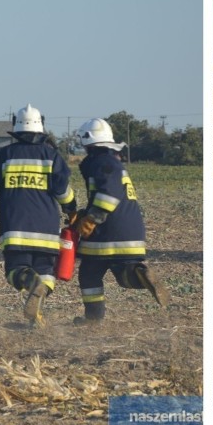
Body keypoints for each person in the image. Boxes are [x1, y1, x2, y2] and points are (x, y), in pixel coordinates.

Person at [0, 104, 77, 326]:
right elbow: (62, 191)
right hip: (47, 231)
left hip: (15, 229)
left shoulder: (5, 155)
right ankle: (36, 315)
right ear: (41, 129)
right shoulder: (52, 156)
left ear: (16, 129)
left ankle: (31, 283)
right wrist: (71, 210)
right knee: (47, 274)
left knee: (15, 270)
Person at [71, 118, 170, 325]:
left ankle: (93, 319)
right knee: (123, 275)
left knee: (89, 273)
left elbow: (109, 193)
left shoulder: (101, 162)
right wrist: (85, 212)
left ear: (87, 142)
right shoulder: (113, 161)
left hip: (108, 232)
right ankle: (140, 274)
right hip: (131, 234)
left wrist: (91, 219)